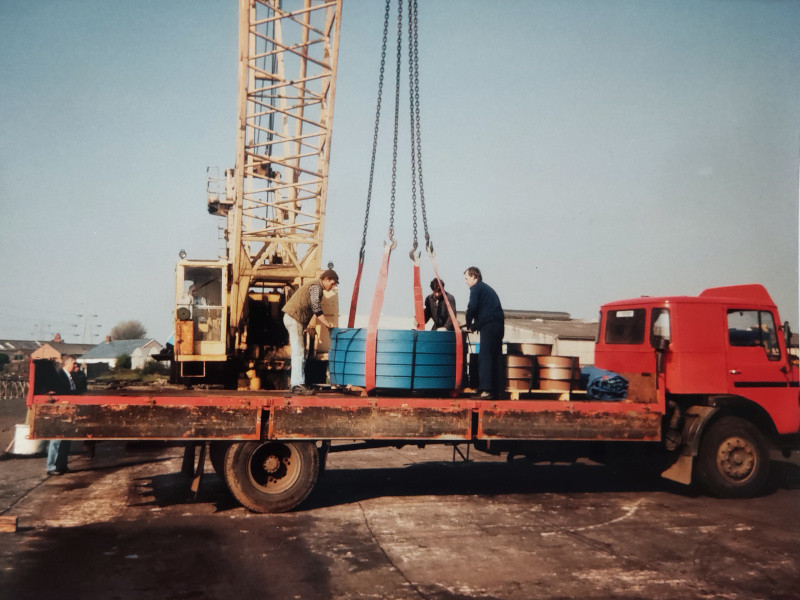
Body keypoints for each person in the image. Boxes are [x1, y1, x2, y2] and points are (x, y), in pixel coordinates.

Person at [282, 269, 339, 395]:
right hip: (294, 319)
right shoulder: (316, 287)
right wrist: (327, 324)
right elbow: (316, 307)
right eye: (333, 283)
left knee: (300, 351)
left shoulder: (315, 286)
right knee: (299, 352)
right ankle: (297, 384)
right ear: (326, 279)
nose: (333, 286)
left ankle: (297, 383)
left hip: (293, 319)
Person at [463, 266, 505, 399]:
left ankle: (486, 390)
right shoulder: (486, 289)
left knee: (485, 356)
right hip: (498, 325)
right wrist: (474, 326)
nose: (466, 282)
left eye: (467, 278)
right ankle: (497, 391)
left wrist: (468, 322)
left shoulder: (476, 288)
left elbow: (472, 307)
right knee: (495, 356)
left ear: (474, 277)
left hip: (490, 325)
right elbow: (486, 312)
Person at [46, 355, 86, 475]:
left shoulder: (71, 376)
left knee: (66, 439)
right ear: (66, 364)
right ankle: (51, 467)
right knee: (57, 439)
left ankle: (62, 465)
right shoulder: (59, 376)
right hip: (60, 411)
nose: (75, 365)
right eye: (73, 363)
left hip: (68, 411)